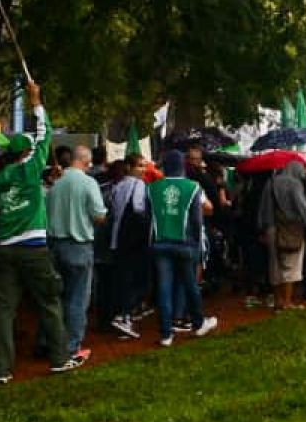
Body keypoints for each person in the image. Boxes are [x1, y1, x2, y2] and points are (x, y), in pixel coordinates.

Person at [0, 81, 79, 383]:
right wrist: (36, 101)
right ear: (26, 152)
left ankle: (2, 370)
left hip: (6, 248)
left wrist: (45, 181)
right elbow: (46, 134)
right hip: (33, 247)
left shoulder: (2, 176)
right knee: (49, 303)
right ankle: (59, 358)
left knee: (4, 310)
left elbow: (24, 194)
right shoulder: (29, 166)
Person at [150, 150, 218, 345]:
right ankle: (198, 323)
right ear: (182, 165)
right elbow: (197, 219)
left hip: (160, 242)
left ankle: (165, 334)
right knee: (190, 285)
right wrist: (197, 241)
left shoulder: (153, 188)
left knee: (163, 288)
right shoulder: (192, 187)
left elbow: (148, 217)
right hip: (185, 243)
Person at [46, 144, 106, 365]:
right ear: (87, 162)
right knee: (77, 299)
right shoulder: (89, 183)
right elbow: (99, 215)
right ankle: (71, 348)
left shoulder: (54, 184)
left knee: (55, 298)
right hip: (79, 245)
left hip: (53, 245)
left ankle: (48, 342)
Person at [101, 157, 150, 336]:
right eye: (140, 166)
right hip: (132, 240)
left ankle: (120, 315)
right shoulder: (139, 184)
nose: (143, 169)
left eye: (145, 166)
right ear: (129, 167)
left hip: (117, 238)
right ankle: (124, 316)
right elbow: (138, 208)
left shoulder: (117, 185)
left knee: (120, 279)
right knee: (135, 279)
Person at [258, 159, 306, 310]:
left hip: (271, 228)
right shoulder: (294, 184)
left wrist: (262, 229)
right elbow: (303, 207)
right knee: (291, 265)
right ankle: (287, 302)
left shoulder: (270, 182)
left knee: (274, 266)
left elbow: (263, 208)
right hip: (290, 229)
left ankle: (277, 300)